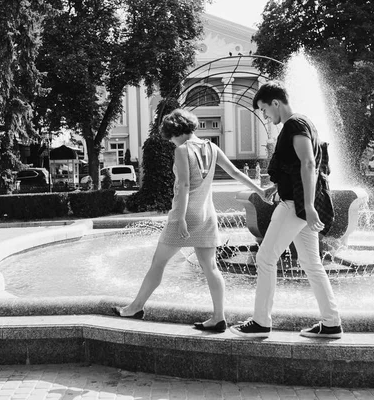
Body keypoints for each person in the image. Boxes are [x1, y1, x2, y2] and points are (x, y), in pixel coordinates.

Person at [113, 108, 266, 332]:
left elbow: (184, 185)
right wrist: (260, 190)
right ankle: (218, 317)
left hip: (185, 214)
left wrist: (182, 218)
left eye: (171, 138)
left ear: (176, 132)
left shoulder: (183, 150)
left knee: (158, 263)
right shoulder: (212, 147)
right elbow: (234, 172)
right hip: (207, 214)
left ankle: (135, 307)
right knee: (211, 267)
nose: (172, 142)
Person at [230, 80, 343, 339]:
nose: (266, 116)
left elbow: (308, 162)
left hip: (294, 206)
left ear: (276, 103)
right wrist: (276, 186)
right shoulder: (305, 123)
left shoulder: (294, 124)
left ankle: (260, 322)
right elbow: (297, 166)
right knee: (311, 263)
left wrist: (308, 206)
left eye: (265, 110)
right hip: (296, 202)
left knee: (265, 258)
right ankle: (331, 323)